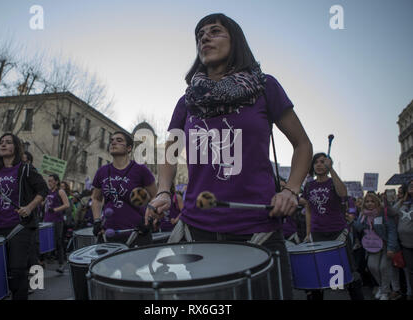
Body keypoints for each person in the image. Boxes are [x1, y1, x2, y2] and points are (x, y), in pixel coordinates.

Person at [145, 13, 312, 300]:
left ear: (235, 41)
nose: (205, 38)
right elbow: (170, 152)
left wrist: (291, 190)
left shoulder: (265, 87)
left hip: (257, 231)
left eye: (215, 31)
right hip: (198, 231)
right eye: (200, 35)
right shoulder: (186, 102)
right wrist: (163, 191)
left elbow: (303, 145)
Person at [0, 133, 48, 300]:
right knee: (4, 271)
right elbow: (0, 197)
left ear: (16, 147)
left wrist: (29, 207)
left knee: (18, 271)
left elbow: (43, 189)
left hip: (20, 226)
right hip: (0, 225)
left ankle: (34, 283)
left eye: (8, 142)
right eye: (1, 142)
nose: (3, 145)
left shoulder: (25, 169)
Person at [303, 152, 364, 300]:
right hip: (317, 234)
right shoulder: (309, 185)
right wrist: (308, 233)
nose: (319, 164)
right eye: (316, 162)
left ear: (329, 164)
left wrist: (332, 170)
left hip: (338, 233)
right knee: (317, 274)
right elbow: (309, 211)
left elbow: (343, 193)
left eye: (323, 161)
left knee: (349, 272)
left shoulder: (333, 182)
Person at [91, 131, 157, 245]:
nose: (113, 143)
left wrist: (149, 220)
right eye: (111, 140)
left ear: (129, 148)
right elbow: (96, 198)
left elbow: (155, 197)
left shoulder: (141, 170)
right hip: (108, 233)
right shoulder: (102, 171)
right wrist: (97, 221)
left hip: (137, 233)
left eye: (119, 140)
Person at [353, 192, 399, 300]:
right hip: (372, 246)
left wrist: (391, 248)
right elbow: (359, 228)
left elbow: (392, 230)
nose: (370, 204)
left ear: (377, 202)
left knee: (383, 268)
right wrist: (352, 221)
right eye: (367, 201)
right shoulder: (364, 214)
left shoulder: (384, 213)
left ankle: (385, 292)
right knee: (372, 266)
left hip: (385, 245)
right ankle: (383, 288)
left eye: (372, 201)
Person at [390, 179, 413, 300]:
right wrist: (401, 200)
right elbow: (392, 211)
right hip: (405, 244)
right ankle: (410, 293)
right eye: (410, 184)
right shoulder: (403, 203)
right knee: (410, 271)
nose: (412, 186)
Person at [43, 174, 70, 273]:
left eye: (51, 181)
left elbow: (67, 204)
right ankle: (43, 261)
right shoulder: (48, 191)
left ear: (56, 182)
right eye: (48, 181)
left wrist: (55, 210)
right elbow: (44, 203)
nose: (49, 183)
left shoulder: (60, 191)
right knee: (45, 240)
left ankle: (61, 264)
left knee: (58, 242)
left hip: (57, 220)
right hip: (47, 219)